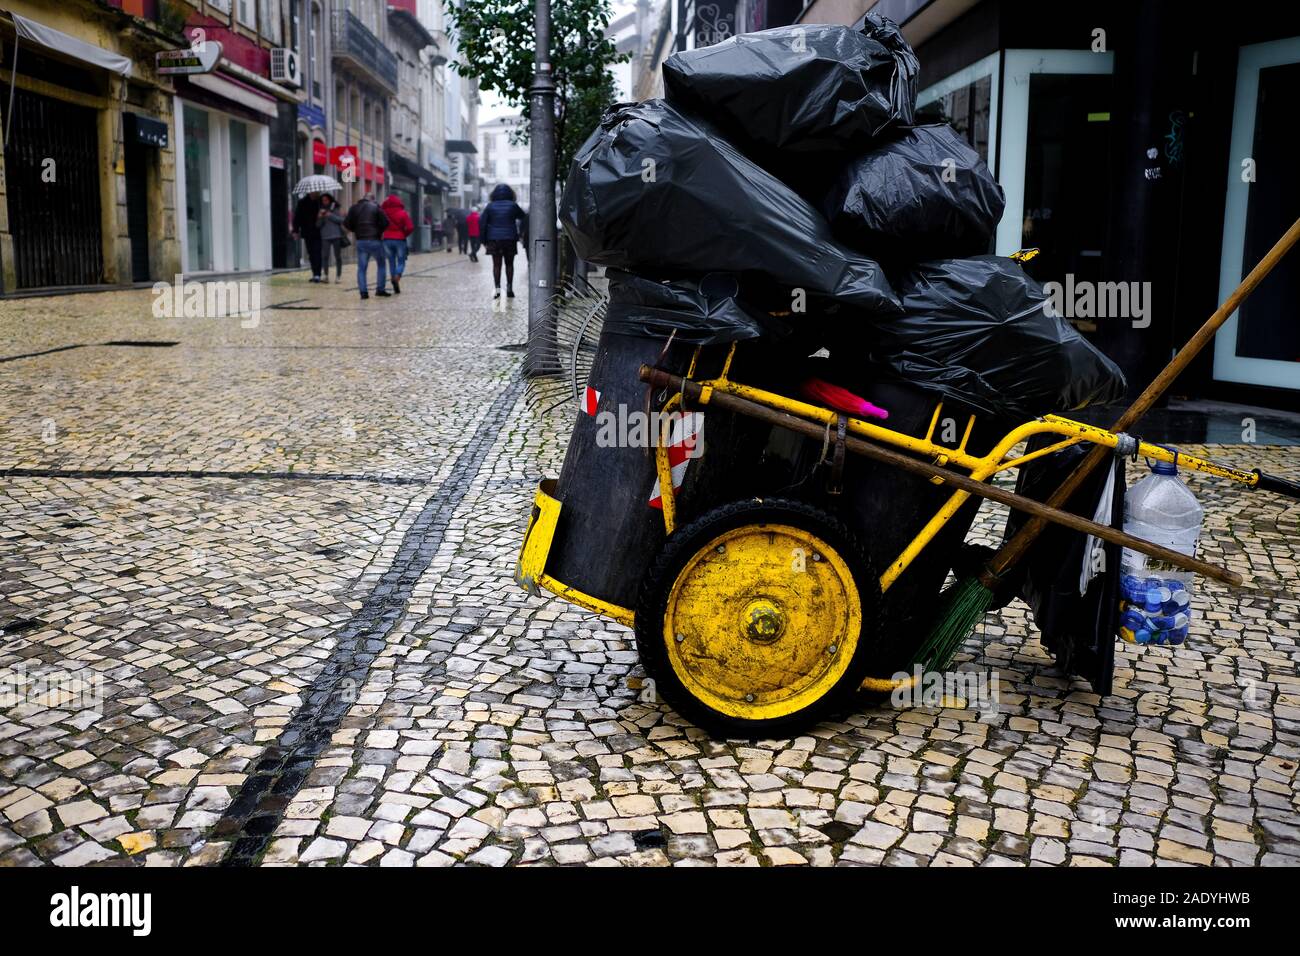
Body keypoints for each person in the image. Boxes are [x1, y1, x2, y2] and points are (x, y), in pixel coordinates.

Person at [480, 183, 527, 299]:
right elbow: (523, 217)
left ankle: (497, 290)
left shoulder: (490, 206)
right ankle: (510, 288)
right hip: (510, 238)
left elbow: (482, 224)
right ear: (510, 193)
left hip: (494, 239)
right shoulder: (513, 206)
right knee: (509, 264)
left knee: (496, 265)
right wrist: (521, 233)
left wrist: (483, 240)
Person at [343, 191, 390, 300]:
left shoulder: (354, 208)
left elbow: (347, 224)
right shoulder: (376, 207)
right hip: (375, 240)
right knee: (381, 264)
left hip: (361, 241)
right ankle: (380, 289)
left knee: (362, 268)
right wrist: (379, 231)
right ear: (372, 199)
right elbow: (386, 222)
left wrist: (357, 230)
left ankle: (363, 292)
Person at [380, 194, 415, 294]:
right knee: (401, 261)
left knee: (391, 261)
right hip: (399, 239)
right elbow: (410, 227)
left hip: (386, 239)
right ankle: (397, 277)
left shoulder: (383, 213)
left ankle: (393, 279)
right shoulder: (402, 213)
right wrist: (404, 234)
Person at [292, 191, 323, 282]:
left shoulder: (320, 202)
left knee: (317, 253)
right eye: (313, 192)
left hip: (319, 232)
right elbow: (297, 217)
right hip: (307, 232)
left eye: (317, 192)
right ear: (310, 192)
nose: (315, 193)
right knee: (311, 253)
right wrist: (295, 230)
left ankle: (318, 274)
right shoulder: (302, 202)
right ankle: (314, 273)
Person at [317, 194, 346, 283]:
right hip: (325, 236)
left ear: (330, 200)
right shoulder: (320, 210)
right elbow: (318, 225)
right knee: (325, 256)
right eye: (323, 200)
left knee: (338, 256)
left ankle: (338, 276)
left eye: (326, 200)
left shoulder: (336, 208)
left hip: (336, 235)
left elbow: (341, 220)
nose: (324, 202)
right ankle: (326, 276)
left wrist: (330, 215)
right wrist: (320, 218)